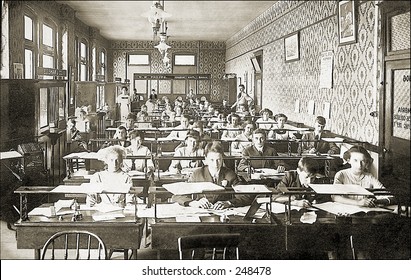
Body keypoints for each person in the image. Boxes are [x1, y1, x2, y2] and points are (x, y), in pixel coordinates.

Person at [172, 141, 252, 209]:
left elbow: (246, 196)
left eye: (218, 160)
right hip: (202, 213)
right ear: (205, 159)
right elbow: (177, 196)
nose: (215, 164)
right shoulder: (197, 174)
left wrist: (228, 203)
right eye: (212, 160)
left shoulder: (230, 174)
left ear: (222, 158)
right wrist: (193, 203)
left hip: (224, 215)